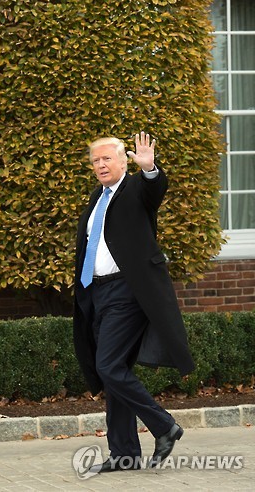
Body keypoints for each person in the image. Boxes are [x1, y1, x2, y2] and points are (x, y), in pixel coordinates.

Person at [73, 132, 195, 472]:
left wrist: (150, 168)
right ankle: (125, 455)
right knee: (115, 372)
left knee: (108, 366)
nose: (100, 165)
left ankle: (164, 425)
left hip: (127, 292)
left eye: (106, 159)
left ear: (123, 160)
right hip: (97, 293)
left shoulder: (135, 190)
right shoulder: (97, 198)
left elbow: (154, 190)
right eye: (95, 160)